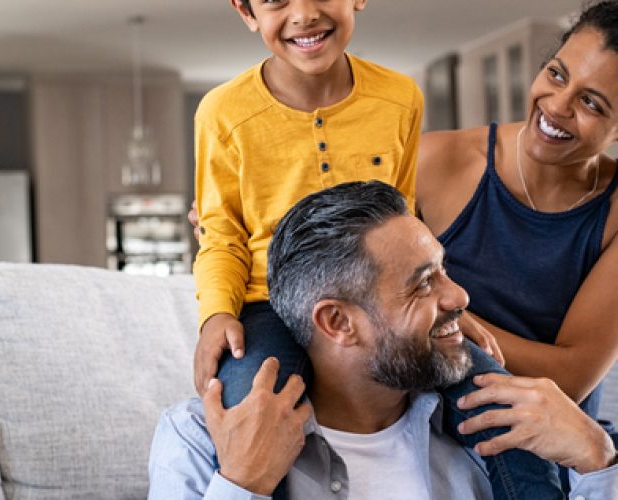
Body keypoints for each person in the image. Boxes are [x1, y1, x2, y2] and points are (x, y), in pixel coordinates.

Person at [189, 1, 557, 498]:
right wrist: (215, 313)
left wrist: (438, 311)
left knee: (506, 406)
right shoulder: (222, 112)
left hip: (379, 304)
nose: (303, 14)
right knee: (246, 416)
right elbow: (221, 234)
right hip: (266, 304)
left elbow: (401, 222)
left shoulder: (398, 97)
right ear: (245, 10)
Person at [416, 0, 618, 498]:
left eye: (592, 103)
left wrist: (456, 322)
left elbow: (570, 377)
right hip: (442, 409)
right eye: (556, 73)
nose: (556, 105)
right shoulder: (432, 160)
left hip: (554, 429)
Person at [151, 181, 618, 500]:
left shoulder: (500, 433)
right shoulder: (199, 440)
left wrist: (595, 457)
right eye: (423, 283)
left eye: (445, 270)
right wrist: (243, 484)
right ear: (337, 322)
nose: (459, 295)